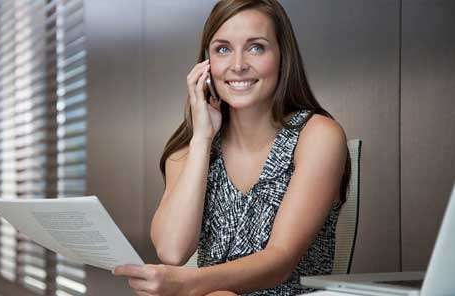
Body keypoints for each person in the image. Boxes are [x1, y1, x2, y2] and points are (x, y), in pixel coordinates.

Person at [113, 0, 350, 295]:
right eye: (223, 49)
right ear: (205, 65)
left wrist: (185, 283)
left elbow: (281, 259)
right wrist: (201, 138)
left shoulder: (317, 136)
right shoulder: (187, 151)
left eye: (256, 47)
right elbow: (172, 252)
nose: (238, 65)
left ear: (282, 57)